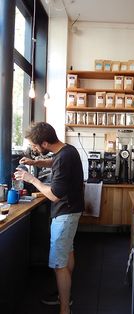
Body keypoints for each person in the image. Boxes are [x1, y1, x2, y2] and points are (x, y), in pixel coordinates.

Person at [14, 122, 84, 314]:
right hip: (72, 211)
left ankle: (64, 309)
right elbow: (54, 162)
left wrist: (31, 179)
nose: (35, 149)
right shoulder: (67, 151)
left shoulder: (64, 156)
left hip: (65, 215)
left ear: (45, 143)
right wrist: (35, 163)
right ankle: (65, 295)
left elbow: (54, 195)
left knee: (58, 264)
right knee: (67, 253)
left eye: (36, 146)